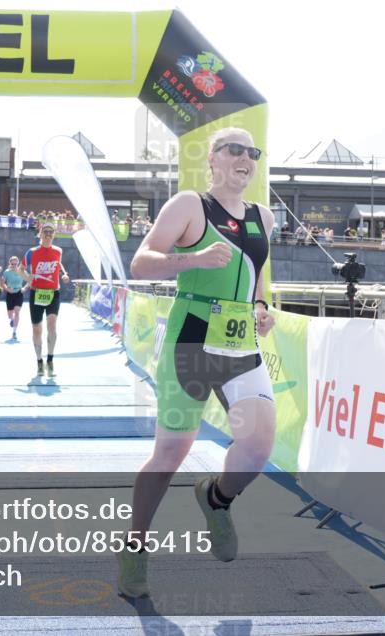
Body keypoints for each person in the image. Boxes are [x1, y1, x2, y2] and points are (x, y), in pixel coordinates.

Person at [119, 127, 277, 598]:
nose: (244, 158)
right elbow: (142, 263)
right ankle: (134, 545)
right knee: (170, 455)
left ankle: (216, 498)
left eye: (252, 151)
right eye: (234, 149)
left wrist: (263, 309)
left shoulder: (263, 217)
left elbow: (256, 276)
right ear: (213, 158)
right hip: (191, 342)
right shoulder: (189, 205)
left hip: (241, 345)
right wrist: (194, 258)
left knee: (257, 448)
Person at [22, 223, 70, 376]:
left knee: (52, 325)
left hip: (53, 293)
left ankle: (50, 360)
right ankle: (39, 362)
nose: (48, 234)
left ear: (54, 234)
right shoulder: (32, 252)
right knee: (37, 329)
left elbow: (58, 262)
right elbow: (20, 269)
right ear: (40, 234)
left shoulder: (59, 251)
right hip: (36, 293)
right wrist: (27, 278)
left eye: (51, 232)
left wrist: (64, 274)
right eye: (45, 232)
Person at [0, 255, 26, 341]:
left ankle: (14, 332)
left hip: (19, 293)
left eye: (16, 263)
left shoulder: (22, 271)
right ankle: (12, 319)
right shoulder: (6, 272)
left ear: (18, 263)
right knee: (10, 314)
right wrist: (7, 289)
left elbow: (30, 280)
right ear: (10, 263)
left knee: (17, 312)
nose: (14, 265)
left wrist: (24, 288)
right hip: (10, 294)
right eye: (12, 263)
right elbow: (2, 283)